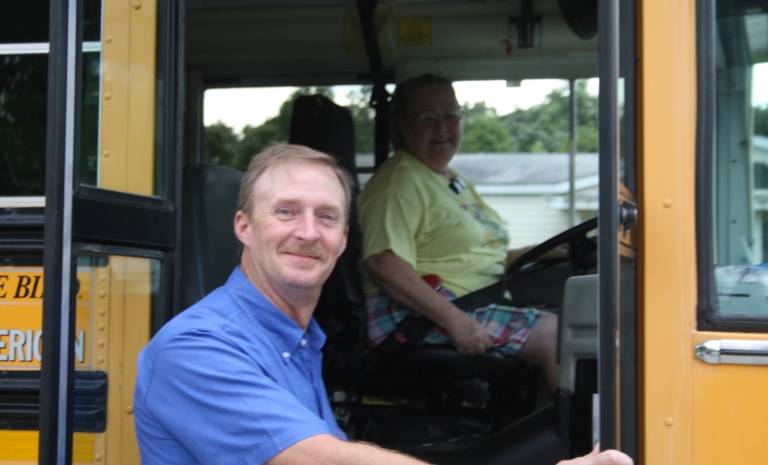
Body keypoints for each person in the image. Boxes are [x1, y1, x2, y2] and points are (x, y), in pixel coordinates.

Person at [133, 143, 631, 465]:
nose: (308, 231)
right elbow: (327, 462)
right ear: (244, 226)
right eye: (286, 212)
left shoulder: (298, 339)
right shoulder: (198, 349)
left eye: (326, 217)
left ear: (343, 238)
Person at [357, 73, 560, 391]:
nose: (443, 128)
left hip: (470, 302)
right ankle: (590, 437)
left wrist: (549, 250)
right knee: (557, 336)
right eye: (428, 118)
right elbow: (383, 262)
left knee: (575, 319)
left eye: (451, 115)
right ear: (402, 125)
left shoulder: (450, 180)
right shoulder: (398, 183)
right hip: (413, 317)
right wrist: (455, 321)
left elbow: (474, 254)